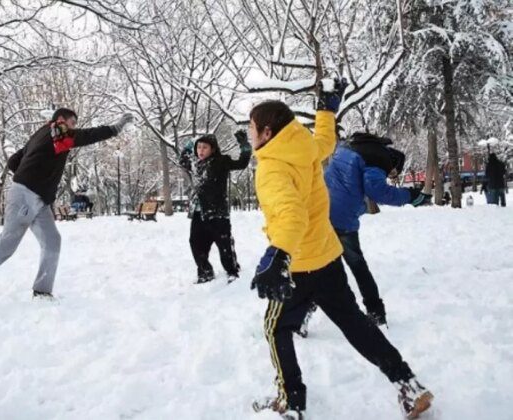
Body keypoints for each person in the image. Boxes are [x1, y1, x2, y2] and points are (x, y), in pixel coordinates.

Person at [248, 78, 433, 420]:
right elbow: (325, 141)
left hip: (299, 263)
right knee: (355, 323)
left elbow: (291, 215)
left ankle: (291, 402)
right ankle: (408, 384)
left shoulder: (272, 167)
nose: (249, 134)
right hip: (328, 257)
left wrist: (278, 255)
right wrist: (326, 109)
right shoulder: (303, 146)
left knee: (276, 330)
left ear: (268, 132)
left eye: (252, 128)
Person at [0, 108, 133, 309]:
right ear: (62, 120)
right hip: (27, 196)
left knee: (52, 241)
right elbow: (88, 135)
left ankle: (42, 290)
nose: (74, 128)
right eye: (73, 123)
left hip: (38, 199)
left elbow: (13, 161)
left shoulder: (42, 133)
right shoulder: (58, 131)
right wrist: (116, 127)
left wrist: (33, 171)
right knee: (7, 246)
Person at [323, 132, 431, 326]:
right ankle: (376, 312)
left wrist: (362, 206)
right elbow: (378, 192)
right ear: (393, 164)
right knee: (357, 266)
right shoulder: (379, 159)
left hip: (321, 210)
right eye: (392, 173)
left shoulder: (351, 146)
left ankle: (302, 313)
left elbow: (348, 183)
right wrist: (410, 196)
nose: (390, 176)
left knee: (318, 266)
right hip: (342, 217)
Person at [178, 131, 252, 283]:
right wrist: (190, 143)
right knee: (196, 244)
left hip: (218, 212)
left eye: (205, 147)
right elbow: (183, 159)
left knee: (224, 245)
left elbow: (242, 163)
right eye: (198, 147)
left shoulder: (221, 161)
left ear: (213, 149)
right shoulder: (195, 164)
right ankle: (205, 272)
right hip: (199, 213)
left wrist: (244, 145)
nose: (201, 151)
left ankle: (232, 270)